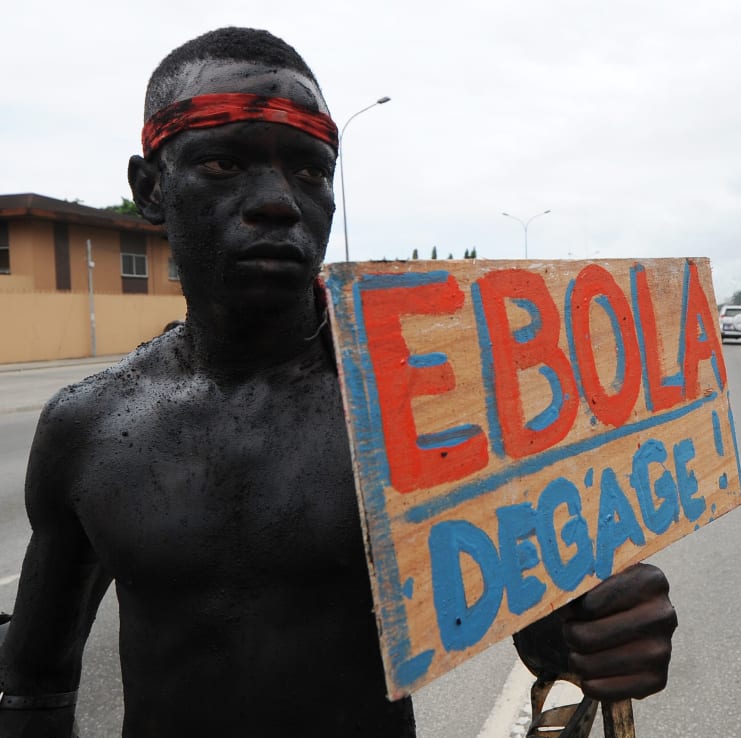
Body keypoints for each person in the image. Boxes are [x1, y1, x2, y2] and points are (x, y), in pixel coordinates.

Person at [0, 28, 676, 737]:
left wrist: (595, 633)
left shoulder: (420, 407)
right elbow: (34, 684)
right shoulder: (88, 427)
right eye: (224, 163)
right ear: (151, 190)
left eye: (310, 172)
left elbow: (540, 627)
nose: (279, 202)